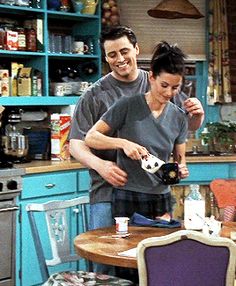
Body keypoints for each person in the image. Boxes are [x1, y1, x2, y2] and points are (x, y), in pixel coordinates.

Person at [69, 26, 204, 270]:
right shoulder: (94, 95)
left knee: (154, 265)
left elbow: (183, 124)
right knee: (105, 264)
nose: (119, 59)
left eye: (124, 51)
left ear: (136, 49)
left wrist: (198, 116)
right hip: (107, 190)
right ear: (105, 57)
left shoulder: (160, 81)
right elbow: (77, 143)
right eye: (111, 55)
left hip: (153, 191)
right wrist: (102, 165)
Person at [85, 40, 189, 220]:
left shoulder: (179, 117)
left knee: (160, 247)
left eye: (175, 87)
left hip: (161, 197)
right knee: (124, 248)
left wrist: (182, 169)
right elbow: (91, 137)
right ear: (152, 77)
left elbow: (180, 160)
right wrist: (123, 143)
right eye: (164, 85)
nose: (169, 93)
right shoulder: (127, 106)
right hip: (128, 195)